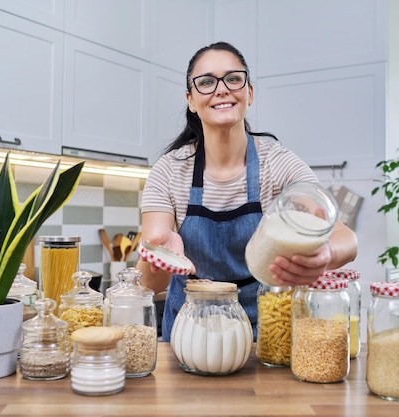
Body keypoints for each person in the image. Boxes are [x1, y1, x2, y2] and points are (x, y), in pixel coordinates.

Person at [137, 41, 358, 342]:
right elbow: (150, 284)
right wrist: (160, 255)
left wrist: (327, 254)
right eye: (206, 82)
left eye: (233, 78)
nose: (221, 89)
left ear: (249, 93)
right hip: (188, 338)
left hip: (267, 338)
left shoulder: (277, 163)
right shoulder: (169, 171)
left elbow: (345, 238)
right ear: (190, 100)